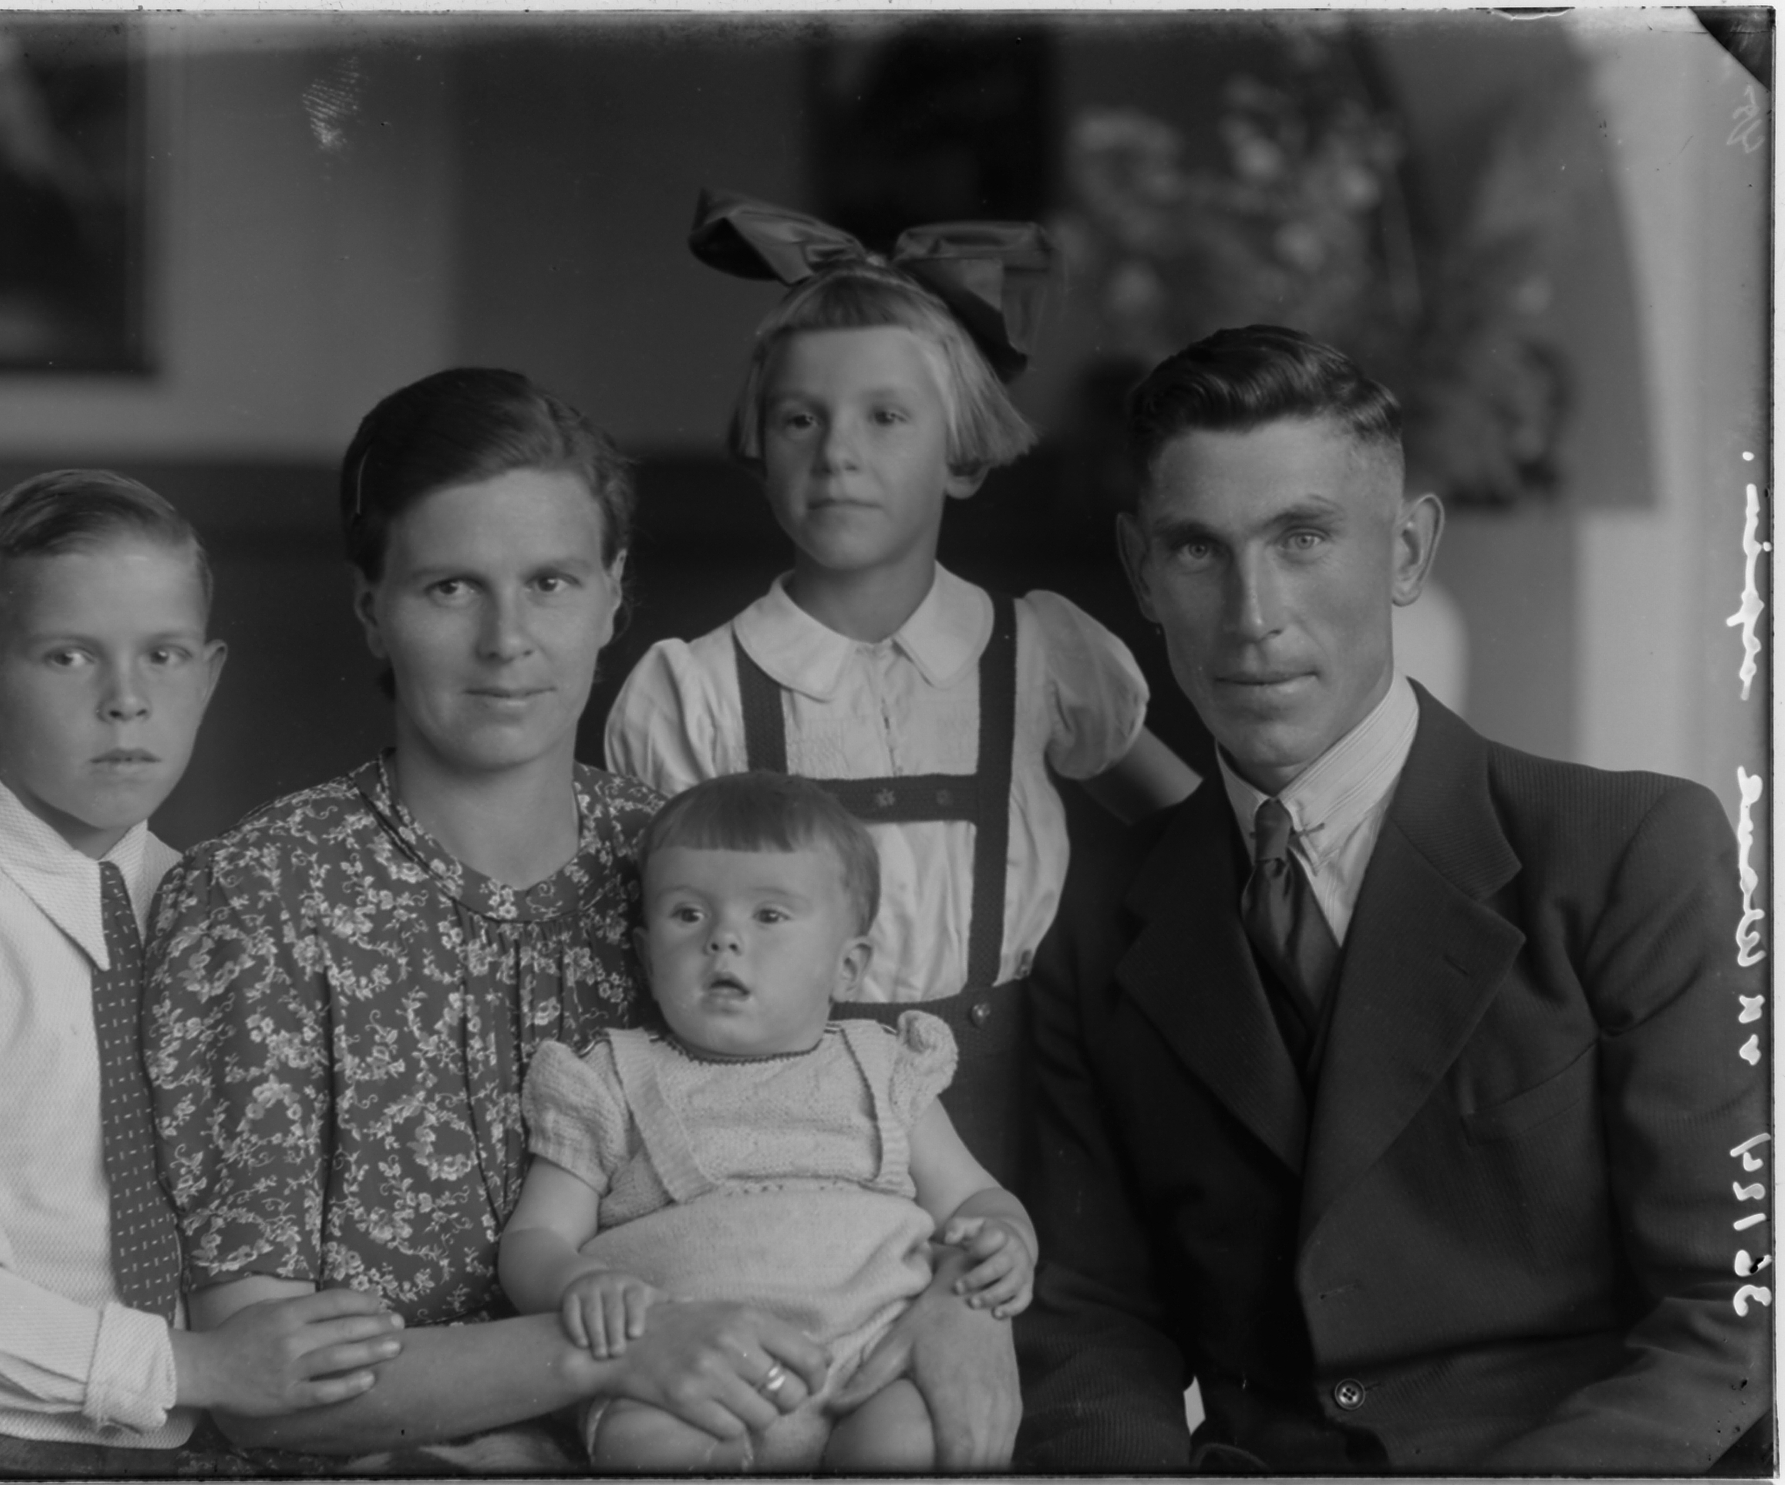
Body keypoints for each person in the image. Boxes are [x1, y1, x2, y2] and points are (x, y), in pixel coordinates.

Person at [143, 369, 1019, 1470]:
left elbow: (863, 1161)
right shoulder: (258, 896)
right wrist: (607, 1354)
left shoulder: (691, 873)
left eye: (550, 582)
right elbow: (264, 1385)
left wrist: (956, 1303)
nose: (507, 639)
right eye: (450, 588)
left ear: (612, 596)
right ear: (373, 609)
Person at [1017, 325, 1772, 1473]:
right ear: (1140, 574)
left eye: (1302, 538)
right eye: (1197, 549)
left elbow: (1731, 1312)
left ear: (1406, 551)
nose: (1252, 614)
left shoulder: (1625, 852)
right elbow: (1087, 1325)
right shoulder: (1093, 912)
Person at [0, 472, 405, 1478]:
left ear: (207, 676)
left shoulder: (207, 904)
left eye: (162, 655)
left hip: (150, 1428)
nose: (126, 698)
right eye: (69, 655)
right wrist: (193, 1365)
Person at [605, 190, 1199, 1191]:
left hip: (1022, 1107)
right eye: (800, 418)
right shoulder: (696, 688)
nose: (837, 452)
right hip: (784, 1138)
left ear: (960, 454)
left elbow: (1193, 836)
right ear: (759, 453)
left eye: (885, 417)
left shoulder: (1038, 653)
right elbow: (655, 938)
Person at [500, 773, 1036, 1472]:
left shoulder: (884, 1067)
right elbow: (534, 1238)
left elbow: (975, 1198)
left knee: (914, 1439)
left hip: (875, 1360)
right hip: (684, 1370)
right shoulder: (607, 1079)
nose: (723, 938)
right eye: (688, 914)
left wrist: (1005, 1237)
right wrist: (574, 1282)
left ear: (848, 966)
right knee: (650, 1444)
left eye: (769, 915)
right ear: (646, 957)